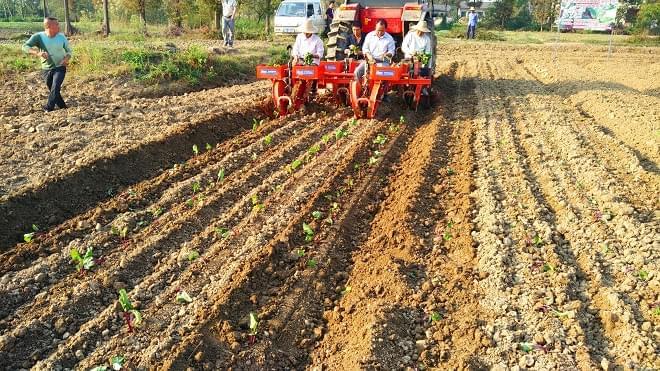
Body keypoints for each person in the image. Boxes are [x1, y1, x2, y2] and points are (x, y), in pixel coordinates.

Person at [22, 17, 72, 112]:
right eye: (56, 24)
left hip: (60, 66)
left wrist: (66, 59)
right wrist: (38, 53)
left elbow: (69, 51)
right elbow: (25, 46)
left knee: (56, 86)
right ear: (49, 26)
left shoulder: (61, 37)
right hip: (46, 68)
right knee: (53, 89)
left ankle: (48, 107)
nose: (59, 26)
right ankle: (63, 107)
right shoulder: (38, 37)